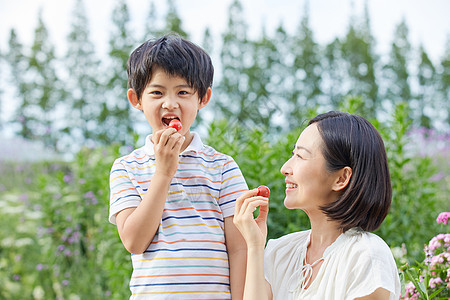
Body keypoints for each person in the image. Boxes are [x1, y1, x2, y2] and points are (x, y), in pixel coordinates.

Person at [109, 34, 248, 299]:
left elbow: (239, 248)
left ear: (203, 98)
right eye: (157, 92)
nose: (170, 103)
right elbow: (134, 241)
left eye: (183, 92)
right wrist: (163, 173)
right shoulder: (126, 168)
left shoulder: (223, 167)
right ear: (136, 99)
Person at [234, 111, 401, 300]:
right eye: (292, 154)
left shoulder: (367, 256)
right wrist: (255, 246)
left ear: (341, 178)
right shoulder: (279, 252)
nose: (285, 168)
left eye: (300, 156)